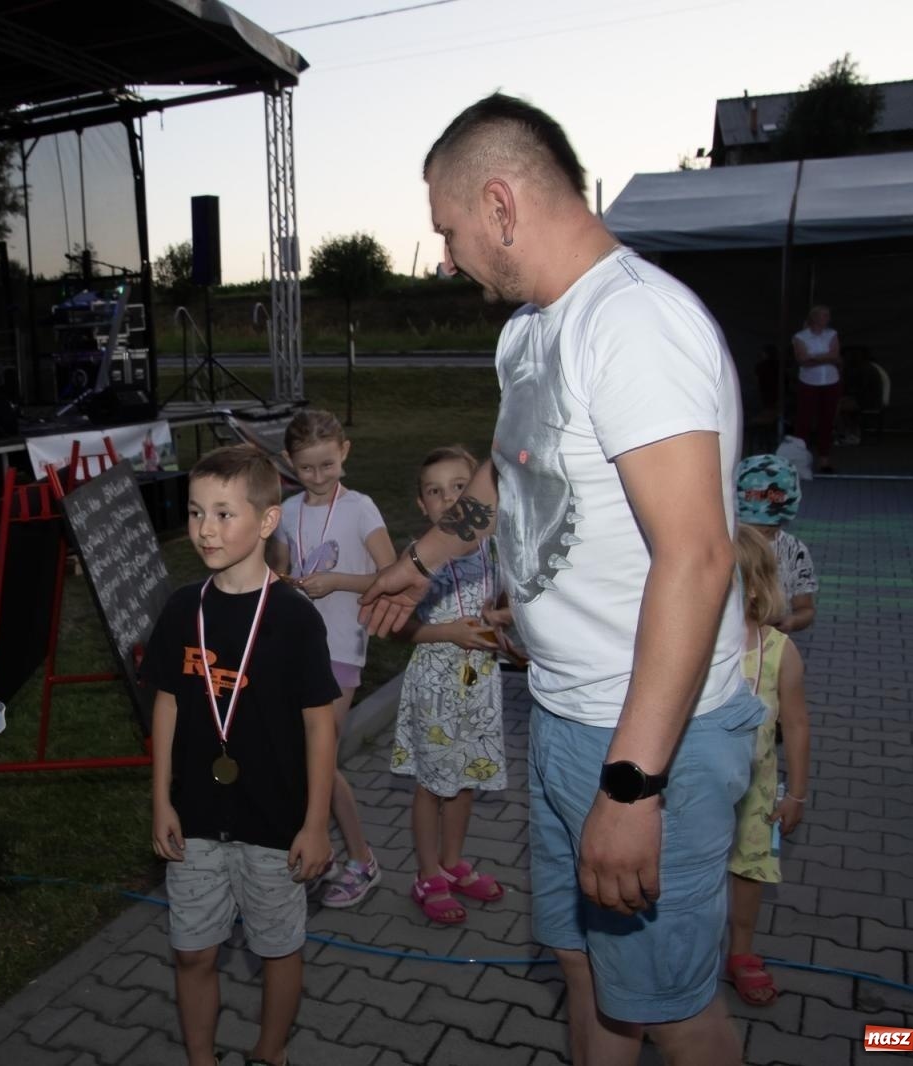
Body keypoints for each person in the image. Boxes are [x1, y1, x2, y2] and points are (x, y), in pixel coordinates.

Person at [361, 92, 760, 1066]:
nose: (446, 257)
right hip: (563, 715)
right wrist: (421, 562)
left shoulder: (632, 325)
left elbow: (698, 557)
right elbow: (506, 474)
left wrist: (632, 786)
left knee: (669, 1007)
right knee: (588, 978)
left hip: (647, 735)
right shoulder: (531, 335)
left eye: (447, 231)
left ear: (499, 203)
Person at [144, 445, 338, 1066]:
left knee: (278, 947)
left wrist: (313, 823)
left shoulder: (294, 618)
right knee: (193, 951)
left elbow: (320, 728)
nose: (205, 529)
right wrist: (160, 803)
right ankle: (202, 1057)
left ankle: (269, 1051)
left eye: (225, 514)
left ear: (267, 521)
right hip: (197, 815)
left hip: (274, 822)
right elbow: (167, 708)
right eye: (197, 512)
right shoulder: (181, 610)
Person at [265, 409, 395, 909]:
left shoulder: (361, 509)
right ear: (287, 463)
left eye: (326, 465)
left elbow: (390, 574)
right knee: (304, 759)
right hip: (295, 649)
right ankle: (320, 856)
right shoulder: (289, 510)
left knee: (319, 759)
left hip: (341, 649)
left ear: (344, 452)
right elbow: (275, 571)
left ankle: (360, 859)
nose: (317, 477)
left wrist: (337, 581)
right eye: (306, 469)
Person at [389, 446, 507, 925]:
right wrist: (450, 633)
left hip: (480, 685)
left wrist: (502, 625)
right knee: (431, 785)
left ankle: (454, 862)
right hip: (434, 685)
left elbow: (498, 606)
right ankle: (427, 873)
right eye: (436, 492)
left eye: (460, 487)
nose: (448, 498)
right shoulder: (419, 560)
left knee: (466, 780)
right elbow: (401, 629)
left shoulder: (492, 548)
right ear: (423, 505)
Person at [724, 525, 811, 1006]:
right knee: (680, 875)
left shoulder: (780, 652)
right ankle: (680, 952)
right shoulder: (687, 645)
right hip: (693, 787)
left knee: (751, 869)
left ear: (753, 587)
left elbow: (796, 726)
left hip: (755, 788)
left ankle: (741, 950)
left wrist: (795, 792)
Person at [735, 454, 818, 633]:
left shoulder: (794, 550)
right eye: (750, 525)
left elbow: (806, 608)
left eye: (769, 528)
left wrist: (792, 621)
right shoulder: (725, 545)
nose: (760, 533)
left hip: (772, 645)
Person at [792, 305, 842, 474]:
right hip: (808, 381)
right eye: (823, 315)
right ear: (814, 317)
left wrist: (813, 357)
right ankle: (800, 460)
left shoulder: (832, 334)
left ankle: (824, 459)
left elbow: (835, 356)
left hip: (830, 381)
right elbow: (802, 360)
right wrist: (825, 357)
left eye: (827, 315)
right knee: (804, 421)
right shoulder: (800, 337)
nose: (826, 318)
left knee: (827, 420)